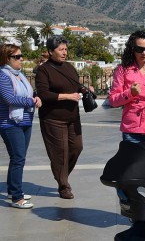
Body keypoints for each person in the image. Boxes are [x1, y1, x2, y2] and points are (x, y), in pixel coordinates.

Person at [35, 35, 89, 199]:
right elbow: (44, 94)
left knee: (77, 147)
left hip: (73, 117)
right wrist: (68, 96)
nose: (65, 52)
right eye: (61, 49)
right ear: (51, 51)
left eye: (66, 49)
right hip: (53, 118)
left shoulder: (69, 67)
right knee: (60, 153)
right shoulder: (43, 70)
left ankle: (61, 174)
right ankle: (63, 185)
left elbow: (76, 85)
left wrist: (85, 89)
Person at [0, 44, 42, 209]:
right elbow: (9, 99)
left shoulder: (19, 75)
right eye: (17, 57)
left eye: (21, 55)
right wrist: (31, 101)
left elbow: (29, 93)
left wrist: (36, 97)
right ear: (6, 59)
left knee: (17, 158)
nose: (21, 59)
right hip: (10, 123)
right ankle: (17, 197)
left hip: (25, 121)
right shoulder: (3, 76)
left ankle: (12, 190)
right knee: (18, 159)